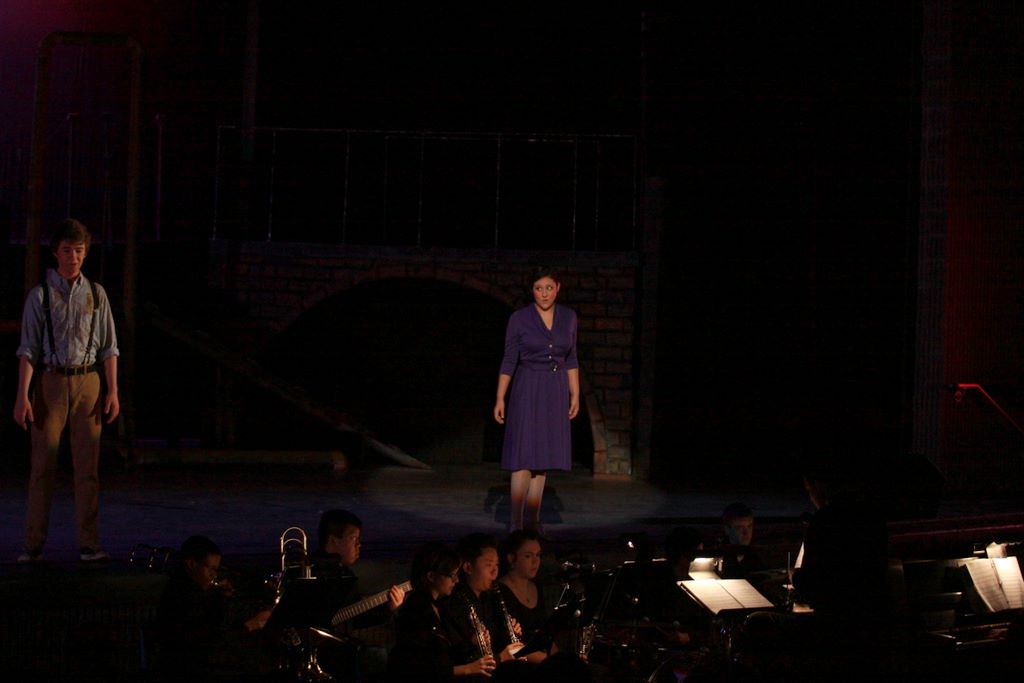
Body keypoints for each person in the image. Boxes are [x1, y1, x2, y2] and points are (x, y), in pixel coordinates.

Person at [13, 218, 119, 563]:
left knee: (87, 469)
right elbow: (28, 349)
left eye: (79, 250)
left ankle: (89, 544)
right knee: (42, 467)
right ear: (56, 253)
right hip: (52, 382)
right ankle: (33, 544)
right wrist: (22, 396)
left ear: (85, 253)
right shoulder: (41, 295)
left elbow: (109, 348)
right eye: (67, 250)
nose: (73, 257)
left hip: (88, 382)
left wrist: (113, 391)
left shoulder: (96, 294)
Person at [493, 268, 580, 532]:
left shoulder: (569, 317)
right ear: (532, 290)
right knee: (523, 455)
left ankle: (533, 521)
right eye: (538, 288)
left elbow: (571, 358)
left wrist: (575, 393)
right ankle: (516, 523)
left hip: (555, 389)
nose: (544, 294)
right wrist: (500, 397)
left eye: (549, 288)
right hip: (528, 387)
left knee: (542, 458)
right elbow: (510, 359)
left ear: (558, 288)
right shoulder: (519, 318)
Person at [155, 535, 270, 681]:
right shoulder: (182, 596)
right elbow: (210, 643)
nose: (213, 575)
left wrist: (222, 598)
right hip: (188, 670)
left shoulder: (189, 589)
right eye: (211, 568)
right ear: (191, 564)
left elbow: (214, 624)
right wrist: (252, 625)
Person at [387, 541, 497, 682]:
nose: (456, 580)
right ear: (431, 576)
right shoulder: (416, 611)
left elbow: (444, 654)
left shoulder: (440, 606)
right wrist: (468, 668)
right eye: (452, 575)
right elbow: (418, 668)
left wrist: (472, 642)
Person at [447, 533, 525, 678]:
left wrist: (511, 634)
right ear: (468, 567)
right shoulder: (455, 604)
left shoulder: (492, 597)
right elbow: (461, 658)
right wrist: (500, 658)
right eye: (489, 565)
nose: (495, 572)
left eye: (496, 565)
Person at [497, 530, 550, 663]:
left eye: (538, 555)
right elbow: (511, 646)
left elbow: (546, 632)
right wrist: (552, 662)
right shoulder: (499, 592)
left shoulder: (536, 587)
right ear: (511, 558)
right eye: (528, 556)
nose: (535, 561)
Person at [718, 502, 766, 580]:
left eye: (749, 526)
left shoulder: (756, 556)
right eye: (739, 528)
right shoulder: (719, 557)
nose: (746, 533)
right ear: (727, 529)